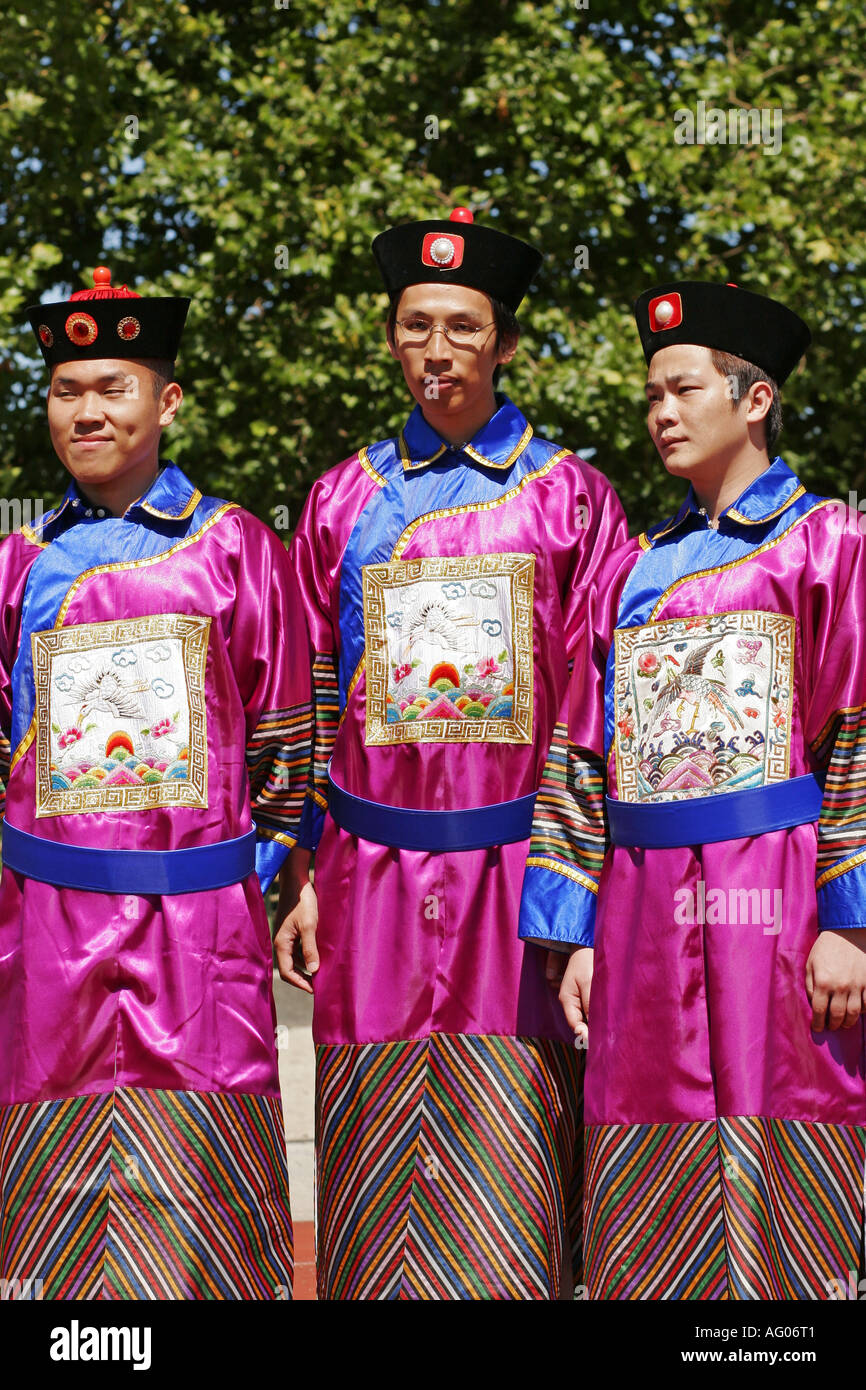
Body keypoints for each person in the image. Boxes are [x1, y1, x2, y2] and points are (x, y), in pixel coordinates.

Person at [277, 207, 628, 1300]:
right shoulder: (343, 499)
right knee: (369, 1138)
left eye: (462, 328)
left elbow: (594, 705)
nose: (437, 348)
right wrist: (301, 871)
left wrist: (578, 893)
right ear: (390, 339)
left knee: (512, 1148)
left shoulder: (569, 496)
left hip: (517, 877)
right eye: (415, 325)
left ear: (503, 345)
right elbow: (311, 693)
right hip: (369, 874)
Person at [520, 280, 866, 1299]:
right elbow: (578, 755)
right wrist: (572, 925)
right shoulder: (628, 568)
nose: (660, 413)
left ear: (751, 399)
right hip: (638, 903)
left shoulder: (827, 543)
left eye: (681, 390)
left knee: (781, 1117)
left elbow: (854, 734)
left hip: (776, 894)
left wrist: (848, 920)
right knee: (644, 1122)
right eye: (650, 397)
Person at [0, 266, 311, 1300]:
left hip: (198, 932)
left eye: (112, 388)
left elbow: (286, 738)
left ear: (165, 401)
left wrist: (250, 885)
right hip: (45, 926)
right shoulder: (17, 563)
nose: (86, 411)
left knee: (202, 1179)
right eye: (64, 391)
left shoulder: (233, 550)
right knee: (53, 1184)